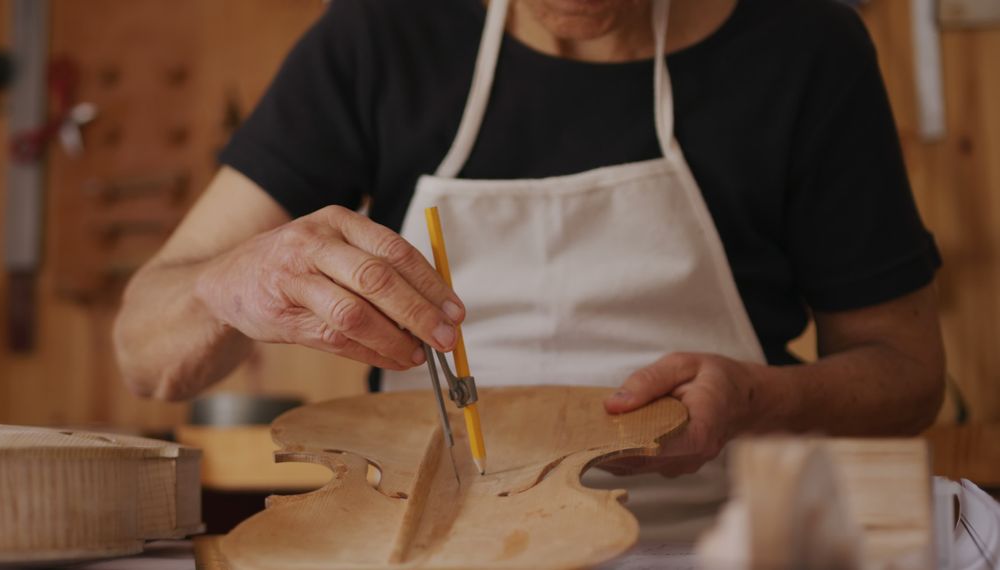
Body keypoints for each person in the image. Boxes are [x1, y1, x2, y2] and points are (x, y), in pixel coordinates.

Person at [113, 0, 944, 522]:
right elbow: (146, 356)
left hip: (711, 536)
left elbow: (908, 376)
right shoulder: (379, 37)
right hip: (431, 540)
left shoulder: (807, 45)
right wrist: (229, 284)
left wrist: (757, 399)